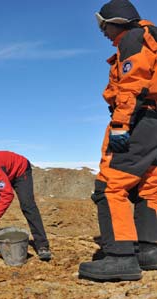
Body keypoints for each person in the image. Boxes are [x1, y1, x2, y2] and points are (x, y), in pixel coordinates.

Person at [78, 0, 157, 282]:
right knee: (149, 186)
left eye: (104, 25)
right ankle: (149, 252)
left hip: (139, 119)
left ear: (120, 22)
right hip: (154, 125)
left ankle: (120, 258)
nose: (103, 31)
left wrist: (121, 125)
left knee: (110, 186)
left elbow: (132, 84)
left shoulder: (133, 39)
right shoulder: (151, 38)